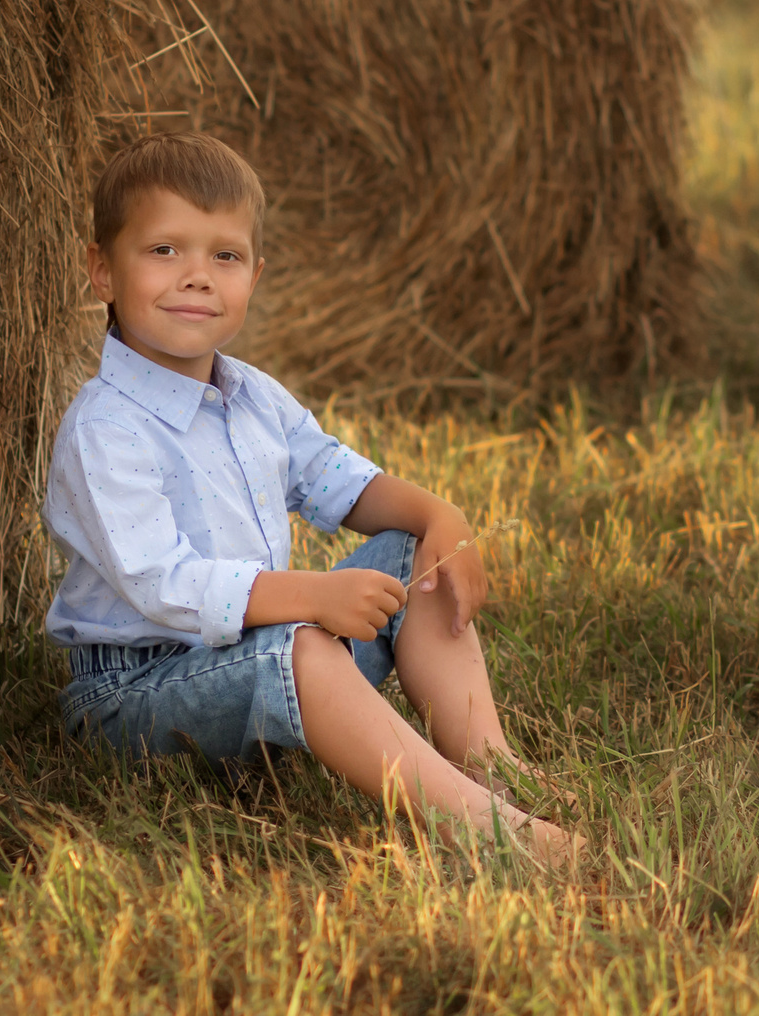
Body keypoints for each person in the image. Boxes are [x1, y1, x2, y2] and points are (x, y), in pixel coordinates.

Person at [43, 132, 581, 867]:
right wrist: (309, 597)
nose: (197, 277)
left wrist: (439, 520)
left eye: (223, 256)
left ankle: (492, 765)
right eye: (164, 251)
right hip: (135, 699)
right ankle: (486, 832)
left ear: (254, 276)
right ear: (102, 269)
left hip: (256, 660)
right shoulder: (106, 429)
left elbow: (338, 479)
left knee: (413, 555)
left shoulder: (253, 396)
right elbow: (161, 582)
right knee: (297, 643)